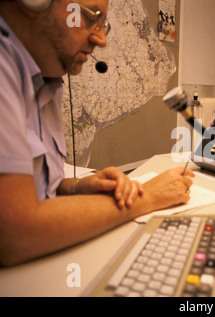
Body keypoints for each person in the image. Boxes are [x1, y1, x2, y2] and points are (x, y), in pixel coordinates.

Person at [0, 0, 195, 266]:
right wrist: (146, 197)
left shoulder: (46, 76)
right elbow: (14, 235)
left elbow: (32, 189)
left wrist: (75, 187)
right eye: (92, 18)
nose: (101, 39)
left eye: (104, 25)